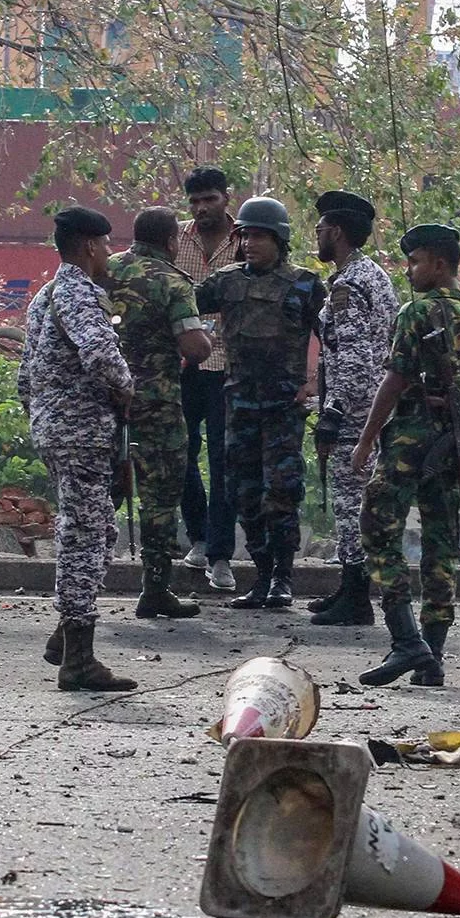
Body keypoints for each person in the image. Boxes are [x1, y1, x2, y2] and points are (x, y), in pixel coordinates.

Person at [350, 223, 460, 687]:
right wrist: (458, 400)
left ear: (440, 264)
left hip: (409, 442)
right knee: (441, 544)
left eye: (415, 262)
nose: (410, 270)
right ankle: (433, 656)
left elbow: (394, 380)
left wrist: (367, 438)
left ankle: (407, 642)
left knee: (377, 529)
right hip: (452, 446)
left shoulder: (416, 313)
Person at [19, 206, 139, 692]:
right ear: (90, 246)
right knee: (84, 535)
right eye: (107, 244)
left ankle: (65, 640)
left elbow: (25, 375)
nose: (110, 254)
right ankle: (79, 658)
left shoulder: (47, 294)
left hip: (56, 428)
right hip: (81, 431)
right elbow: (101, 356)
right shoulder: (78, 291)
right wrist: (128, 389)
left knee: (96, 528)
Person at [193, 196, 326, 609]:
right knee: (243, 490)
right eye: (245, 235)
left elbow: (332, 336)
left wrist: (315, 383)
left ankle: (283, 578)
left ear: (279, 240)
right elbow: (182, 307)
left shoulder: (305, 284)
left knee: (282, 491)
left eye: (259, 236)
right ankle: (262, 574)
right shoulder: (225, 282)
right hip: (240, 403)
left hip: (284, 405)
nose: (250, 243)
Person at [107, 208, 215, 620]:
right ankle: (155, 588)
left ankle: (82, 578)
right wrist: (206, 337)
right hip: (157, 403)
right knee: (160, 495)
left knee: (101, 492)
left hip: (105, 400)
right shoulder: (173, 281)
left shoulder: (106, 269)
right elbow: (194, 347)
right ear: (171, 242)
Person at [306, 189, 399, 627]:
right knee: (354, 500)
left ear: (337, 232)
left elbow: (356, 355)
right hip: (373, 406)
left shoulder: (349, 284)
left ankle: (357, 595)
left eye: (322, 228)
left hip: (357, 410)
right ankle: (349, 585)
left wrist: (334, 411)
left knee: (350, 502)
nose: (317, 235)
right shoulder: (371, 275)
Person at [175, 168, 243, 591]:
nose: (202, 208)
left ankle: (220, 555)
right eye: (196, 201)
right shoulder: (175, 238)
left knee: (224, 461)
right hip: (181, 364)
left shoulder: (248, 238)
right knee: (180, 452)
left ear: (226, 198)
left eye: (210, 200)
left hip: (228, 367)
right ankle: (198, 536)